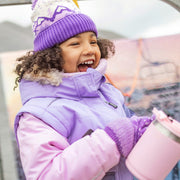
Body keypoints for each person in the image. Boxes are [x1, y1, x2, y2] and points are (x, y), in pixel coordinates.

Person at [14, 0, 155, 179]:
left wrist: (149, 131)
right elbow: (46, 174)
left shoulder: (108, 94)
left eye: (93, 41)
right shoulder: (38, 115)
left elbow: (129, 130)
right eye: (75, 44)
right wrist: (112, 140)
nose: (89, 50)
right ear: (50, 55)